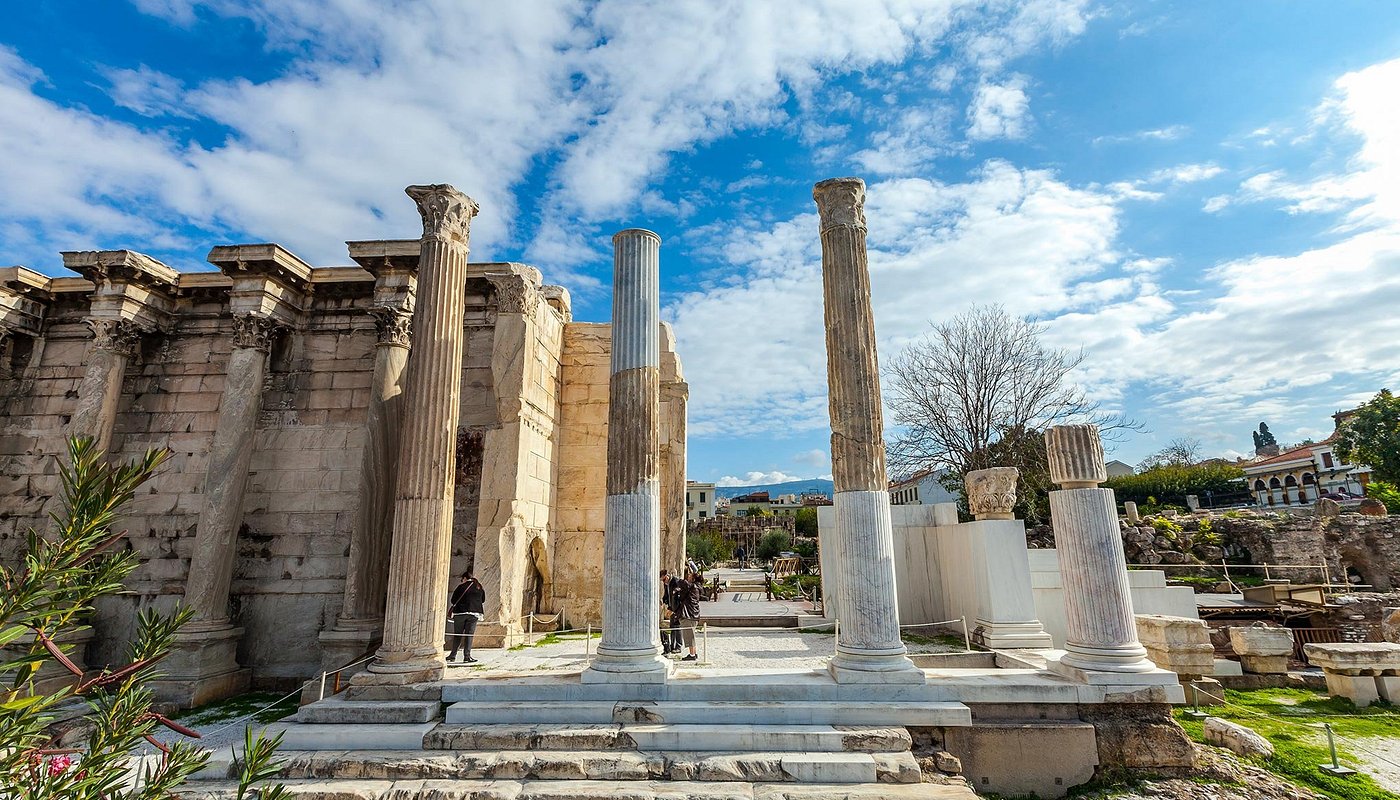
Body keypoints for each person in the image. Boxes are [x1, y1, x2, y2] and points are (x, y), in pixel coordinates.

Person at [447, 570, 485, 663]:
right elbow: (483, 600)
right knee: (469, 635)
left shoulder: (461, 587)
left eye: (462, 579)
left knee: (458, 634)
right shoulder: (479, 587)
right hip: (474, 613)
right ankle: (467, 656)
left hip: (460, 613)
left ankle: (452, 655)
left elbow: (453, 600)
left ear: (464, 578)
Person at [676, 569, 701, 661]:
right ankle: (694, 652)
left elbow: (683, 583)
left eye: (690, 577)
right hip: (694, 613)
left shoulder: (692, 586)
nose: (688, 578)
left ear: (693, 579)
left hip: (689, 614)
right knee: (691, 635)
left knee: (689, 635)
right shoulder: (697, 587)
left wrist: (675, 578)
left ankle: (692, 654)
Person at [660, 569, 683, 654]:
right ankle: (672, 646)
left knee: (677, 627)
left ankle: (678, 646)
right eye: (662, 580)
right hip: (671, 607)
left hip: (677, 608)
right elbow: (667, 594)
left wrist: (673, 609)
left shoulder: (676, 582)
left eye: (664, 579)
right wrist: (663, 600)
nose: (663, 582)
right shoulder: (667, 583)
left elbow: (677, 598)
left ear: (667, 576)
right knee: (672, 627)